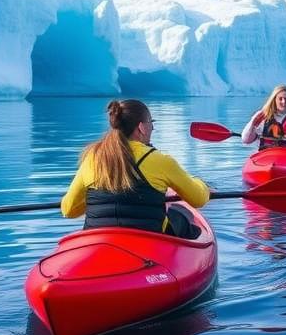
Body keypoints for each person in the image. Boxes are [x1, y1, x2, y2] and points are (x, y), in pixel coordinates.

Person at [61, 99, 210, 238]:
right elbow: (199, 199)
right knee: (181, 216)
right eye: (151, 123)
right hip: (148, 242)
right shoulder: (160, 161)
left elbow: (68, 210)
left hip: (99, 241)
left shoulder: (92, 158)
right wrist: (201, 183)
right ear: (141, 127)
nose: (153, 128)